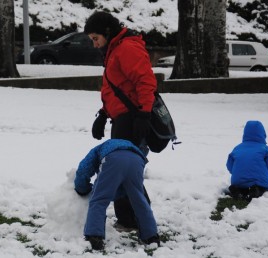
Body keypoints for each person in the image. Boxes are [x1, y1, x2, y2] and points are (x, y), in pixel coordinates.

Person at [84, 11, 157, 230]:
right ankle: (132, 217)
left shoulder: (127, 48)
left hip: (134, 120)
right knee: (125, 169)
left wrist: (144, 114)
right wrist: (104, 114)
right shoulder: (115, 49)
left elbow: (145, 81)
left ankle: (132, 219)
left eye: (96, 39)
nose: (95, 45)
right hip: (123, 119)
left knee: (124, 170)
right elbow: (120, 89)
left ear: (107, 32)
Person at [74, 139, 160, 251]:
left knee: (99, 199)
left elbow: (83, 170)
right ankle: (151, 237)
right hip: (137, 160)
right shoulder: (124, 145)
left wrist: (82, 189)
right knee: (140, 200)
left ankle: (94, 237)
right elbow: (121, 185)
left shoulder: (96, 151)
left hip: (113, 158)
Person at [226, 120, 268, 201]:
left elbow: (229, 164)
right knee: (261, 187)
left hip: (238, 180)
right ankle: (256, 191)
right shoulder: (264, 148)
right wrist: (267, 177)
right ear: (263, 133)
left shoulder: (238, 148)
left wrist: (237, 172)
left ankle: (237, 190)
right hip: (259, 180)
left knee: (241, 187)